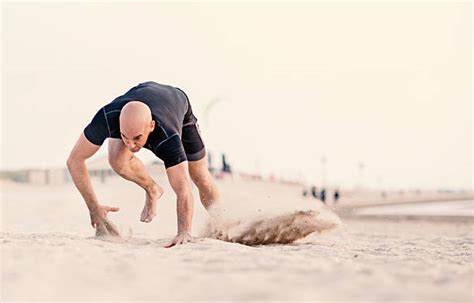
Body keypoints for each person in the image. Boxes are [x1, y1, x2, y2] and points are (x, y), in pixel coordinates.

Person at [66, 81, 219, 247]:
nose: (131, 145)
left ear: (151, 126)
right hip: (139, 97)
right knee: (116, 159)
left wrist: (184, 232)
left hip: (177, 103)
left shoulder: (168, 137)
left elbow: (184, 189)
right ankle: (152, 189)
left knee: (199, 176)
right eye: (125, 137)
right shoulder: (106, 118)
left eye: (137, 138)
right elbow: (74, 161)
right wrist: (94, 208)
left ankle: (221, 222)